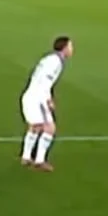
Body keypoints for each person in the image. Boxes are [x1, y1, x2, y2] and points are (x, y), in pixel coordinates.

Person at [19, 36, 74, 172]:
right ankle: (40, 160)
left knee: (35, 127)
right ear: (64, 48)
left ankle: (26, 157)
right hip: (39, 98)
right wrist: (48, 99)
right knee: (50, 128)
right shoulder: (55, 62)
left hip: (31, 95)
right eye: (70, 46)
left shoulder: (49, 59)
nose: (72, 49)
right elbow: (45, 81)